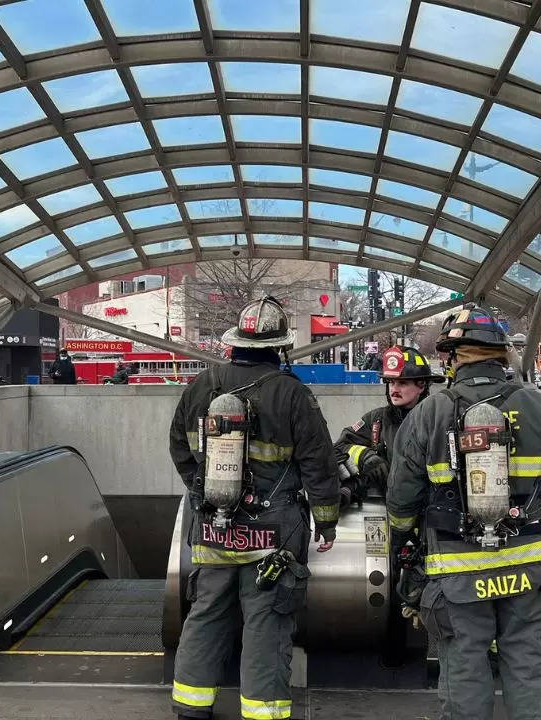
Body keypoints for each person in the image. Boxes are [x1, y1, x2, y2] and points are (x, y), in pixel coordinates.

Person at [386, 304, 541, 720]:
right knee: (530, 659)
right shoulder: (539, 405)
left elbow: (402, 498)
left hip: (457, 565)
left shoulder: (430, 413)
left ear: (452, 358)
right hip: (531, 564)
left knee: (464, 663)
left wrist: (404, 540)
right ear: (501, 355)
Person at [168, 295, 339, 720]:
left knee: (206, 613)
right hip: (274, 532)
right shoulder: (293, 394)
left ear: (234, 342)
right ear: (280, 347)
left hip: (213, 526)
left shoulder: (201, 385)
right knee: (266, 622)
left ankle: (191, 706)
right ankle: (263, 713)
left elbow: (179, 445)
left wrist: (202, 489)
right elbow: (319, 464)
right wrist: (327, 522)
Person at [334, 345, 441, 507]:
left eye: (402, 383)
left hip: (428, 510)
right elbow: (341, 446)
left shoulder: (435, 421)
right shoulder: (376, 420)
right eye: (390, 382)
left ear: (422, 385)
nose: (394, 389)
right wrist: (365, 456)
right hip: (387, 507)